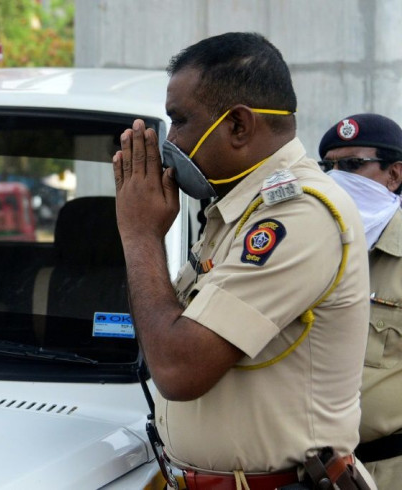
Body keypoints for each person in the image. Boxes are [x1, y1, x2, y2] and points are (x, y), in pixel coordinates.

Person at [112, 32, 376, 489]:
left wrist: (139, 233)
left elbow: (178, 368)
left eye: (180, 120)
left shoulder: (299, 215)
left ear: (238, 126)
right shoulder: (237, 210)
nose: (170, 141)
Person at [318, 113, 402, 489]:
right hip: (312, 471)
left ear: (394, 175)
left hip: (389, 470)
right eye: (329, 166)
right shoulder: (310, 249)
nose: (337, 178)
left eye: (353, 165)